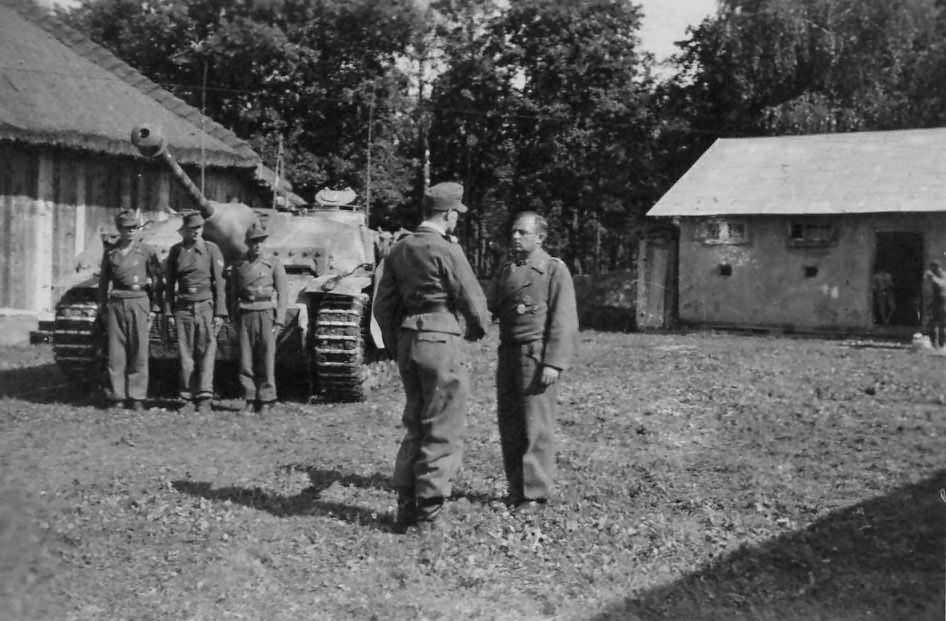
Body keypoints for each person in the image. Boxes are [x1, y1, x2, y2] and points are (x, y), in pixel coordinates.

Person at [373, 181, 491, 533]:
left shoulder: (399, 249)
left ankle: (405, 506)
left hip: (408, 340)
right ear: (449, 214)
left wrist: (397, 344)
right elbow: (472, 299)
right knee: (443, 425)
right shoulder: (446, 249)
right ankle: (429, 512)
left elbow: (382, 306)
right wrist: (478, 328)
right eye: (457, 214)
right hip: (441, 341)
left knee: (415, 423)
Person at [487, 211, 578, 514]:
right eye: (513, 232)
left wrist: (553, 362)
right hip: (509, 353)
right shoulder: (507, 269)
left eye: (522, 232)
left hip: (535, 356)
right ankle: (517, 489)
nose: (515, 237)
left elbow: (564, 319)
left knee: (536, 425)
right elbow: (492, 305)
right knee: (511, 423)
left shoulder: (553, 270)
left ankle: (535, 494)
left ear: (540, 238)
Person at [97, 210, 163, 411]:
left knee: (139, 351)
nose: (131, 231)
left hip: (139, 300)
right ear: (119, 229)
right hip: (117, 301)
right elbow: (103, 281)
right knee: (116, 352)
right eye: (127, 228)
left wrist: (155, 308)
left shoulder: (146, 251)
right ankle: (118, 396)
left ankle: (137, 397)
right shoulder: (111, 252)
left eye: (134, 227)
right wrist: (102, 306)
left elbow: (157, 280)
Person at [165, 212, 227, 414]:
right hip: (183, 307)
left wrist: (220, 312)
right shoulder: (176, 251)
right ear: (185, 230)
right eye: (192, 228)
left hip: (205, 306)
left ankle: (204, 397)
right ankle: (186, 397)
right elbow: (169, 284)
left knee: (207, 352)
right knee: (185, 354)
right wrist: (168, 312)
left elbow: (219, 283)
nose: (196, 231)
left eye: (199, 228)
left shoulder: (211, 249)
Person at [229, 222, 288, 414]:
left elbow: (283, 293)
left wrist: (279, 319)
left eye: (261, 241)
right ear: (248, 243)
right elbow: (232, 293)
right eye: (254, 242)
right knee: (245, 359)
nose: (257, 246)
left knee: (266, 358)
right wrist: (234, 317)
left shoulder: (273, 263)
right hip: (246, 313)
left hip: (266, 313)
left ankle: (267, 399)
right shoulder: (240, 265)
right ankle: (249, 397)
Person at [922, 261, 946, 348]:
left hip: (943, 301)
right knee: (932, 323)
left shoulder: (943, 275)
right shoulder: (931, 276)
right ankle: (934, 343)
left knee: (943, 323)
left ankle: (942, 343)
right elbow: (926, 288)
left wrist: (933, 277)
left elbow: (942, 285)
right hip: (935, 301)